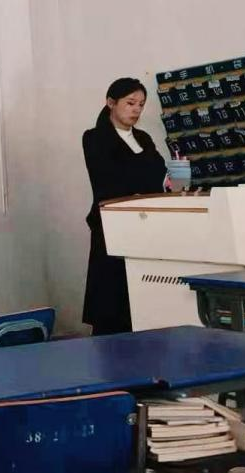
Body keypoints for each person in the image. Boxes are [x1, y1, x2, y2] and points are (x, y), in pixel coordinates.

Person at [82, 77, 168, 335]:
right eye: (130, 103)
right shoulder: (95, 138)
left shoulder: (143, 138)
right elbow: (110, 178)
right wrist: (144, 179)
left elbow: (159, 172)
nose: (136, 110)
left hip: (146, 224)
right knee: (112, 300)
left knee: (142, 302)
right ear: (111, 103)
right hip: (112, 225)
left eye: (141, 105)